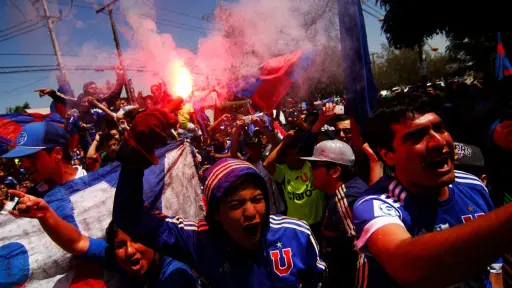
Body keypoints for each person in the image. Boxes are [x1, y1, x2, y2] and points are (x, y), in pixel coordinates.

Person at [112, 109, 326, 287]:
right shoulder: (200, 241)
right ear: (216, 213)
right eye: (236, 204)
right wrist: (134, 157)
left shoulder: (296, 233)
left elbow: (317, 281)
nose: (251, 212)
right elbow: (129, 218)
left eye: (257, 199)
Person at [352, 93, 505, 287]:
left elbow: (494, 268)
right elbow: (408, 266)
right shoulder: (377, 205)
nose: (439, 142)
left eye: (439, 128)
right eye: (417, 136)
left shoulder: (473, 186)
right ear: (388, 155)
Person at [7, 190, 199, 287]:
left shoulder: (176, 275)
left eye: (137, 240)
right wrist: (45, 214)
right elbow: (77, 242)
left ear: (154, 241)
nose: (130, 251)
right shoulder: (118, 258)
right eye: (120, 245)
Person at [301, 140, 368, 288]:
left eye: (314, 166)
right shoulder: (343, 193)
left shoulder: (347, 199)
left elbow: (364, 252)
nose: (310, 170)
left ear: (335, 171)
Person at [264, 130, 325, 236]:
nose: (292, 157)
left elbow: (313, 137)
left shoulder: (312, 166)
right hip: (296, 226)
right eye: (288, 155)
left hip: (316, 224)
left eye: (295, 153)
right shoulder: (284, 172)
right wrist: (284, 142)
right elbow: (267, 163)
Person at [2, 122, 87, 194]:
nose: (24, 165)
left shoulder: (92, 185)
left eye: (31, 156)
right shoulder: (34, 196)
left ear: (57, 154)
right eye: (21, 158)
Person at [230, 116, 285, 214]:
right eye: (250, 148)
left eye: (256, 147)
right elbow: (233, 154)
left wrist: (258, 124)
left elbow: (274, 141)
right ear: (247, 149)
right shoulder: (246, 164)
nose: (253, 150)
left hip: (276, 211)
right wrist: (237, 130)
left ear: (261, 148)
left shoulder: (267, 159)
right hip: (259, 212)